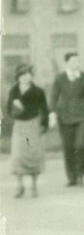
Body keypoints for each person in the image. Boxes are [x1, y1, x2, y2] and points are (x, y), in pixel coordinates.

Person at [49, 51, 84, 187]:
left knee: (80, 145)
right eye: (74, 61)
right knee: (68, 147)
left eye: (78, 61)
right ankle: (72, 177)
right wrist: (52, 115)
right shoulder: (60, 78)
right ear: (67, 63)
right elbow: (53, 97)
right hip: (64, 117)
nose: (77, 63)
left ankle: (80, 173)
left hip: (81, 116)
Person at [6, 64, 49, 198]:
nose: (25, 78)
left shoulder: (38, 91)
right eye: (22, 75)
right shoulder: (14, 90)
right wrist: (15, 109)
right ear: (18, 77)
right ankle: (20, 186)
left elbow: (44, 109)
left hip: (33, 124)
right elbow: (8, 108)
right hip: (19, 125)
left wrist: (44, 124)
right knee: (17, 156)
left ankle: (34, 186)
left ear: (31, 76)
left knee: (33, 155)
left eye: (28, 75)